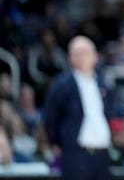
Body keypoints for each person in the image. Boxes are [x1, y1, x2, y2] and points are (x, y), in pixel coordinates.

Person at [43, 36, 112, 180]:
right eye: (78, 53)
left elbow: (108, 111)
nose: (83, 57)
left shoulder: (102, 84)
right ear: (70, 58)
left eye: (86, 52)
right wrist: (56, 143)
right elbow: (50, 117)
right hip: (76, 153)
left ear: (95, 56)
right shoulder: (62, 85)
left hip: (102, 152)